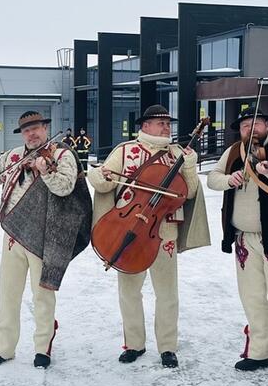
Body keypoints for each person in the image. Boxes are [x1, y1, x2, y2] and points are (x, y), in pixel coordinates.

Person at [87, 104, 210, 368]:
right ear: (145, 126)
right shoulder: (124, 151)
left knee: (167, 293)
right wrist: (98, 174)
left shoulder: (178, 153)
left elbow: (187, 192)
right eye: (159, 122)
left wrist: (189, 166)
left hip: (163, 230)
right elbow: (103, 183)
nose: (166, 126)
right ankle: (134, 344)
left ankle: (167, 347)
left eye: (168, 122)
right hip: (129, 228)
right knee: (129, 292)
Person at [0, 110, 89, 369]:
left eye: (36, 128)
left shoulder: (62, 154)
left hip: (45, 236)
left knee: (42, 296)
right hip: (13, 234)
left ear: (46, 128)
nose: (32, 133)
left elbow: (65, 187)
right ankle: (4, 348)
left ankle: (42, 348)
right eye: (26, 130)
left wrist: (46, 173)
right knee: (7, 294)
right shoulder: (13, 156)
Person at [207, 109, 268, 382]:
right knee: (252, 297)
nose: (251, 129)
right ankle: (259, 353)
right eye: (245, 125)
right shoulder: (233, 152)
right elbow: (213, 178)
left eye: (257, 123)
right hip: (242, 237)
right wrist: (230, 179)